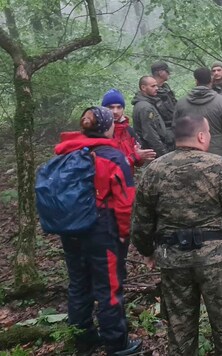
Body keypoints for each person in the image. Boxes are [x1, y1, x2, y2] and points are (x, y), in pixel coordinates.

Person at [132, 115, 222, 356]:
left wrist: (146, 250)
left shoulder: (154, 170)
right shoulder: (220, 166)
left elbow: (141, 219)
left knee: (180, 332)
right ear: (202, 136)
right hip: (216, 261)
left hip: (173, 261)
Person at [55, 106, 141, 356]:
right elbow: (125, 202)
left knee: (79, 284)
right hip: (102, 229)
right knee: (109, 286)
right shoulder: (112, 157)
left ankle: (82, 337)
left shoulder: (65, 152)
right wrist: (124, 234)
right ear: (106, 127)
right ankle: (117, 343)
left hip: (70, 227)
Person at [173, 67, 222, 185]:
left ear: (196, 81)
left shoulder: (181, 103)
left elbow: (175, 128)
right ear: (211, 80)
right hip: (218, 153)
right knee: (220, 185)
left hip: (189, 156)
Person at [101, 88, 156, 172]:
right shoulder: (98, 132)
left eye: (119, 107)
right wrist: (135, 156)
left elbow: (138, 163)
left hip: (127, 181)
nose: (115, 111)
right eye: (111, 107)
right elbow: (105, 166)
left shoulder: (128, 131)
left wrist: (141, 157)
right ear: (103, 109)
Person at [132, 76, 173, 157]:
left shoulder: (149, 103)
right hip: (153, 153)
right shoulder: (145, 107)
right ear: (143, 87)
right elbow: (151, 135)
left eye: (156, 85)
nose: (157, 88)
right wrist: (164, 155)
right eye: (153, 86)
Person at [151, 61, 178, 132]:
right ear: (160, 73)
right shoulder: (151, 92)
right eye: (167, 71)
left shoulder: (166, 88)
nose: (169, 73)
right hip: (164, 130)